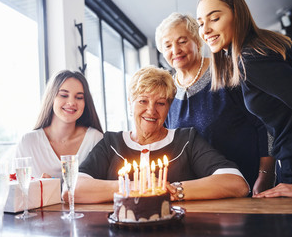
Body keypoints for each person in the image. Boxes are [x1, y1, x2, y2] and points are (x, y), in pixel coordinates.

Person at [64, 66, 249, 204]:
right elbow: (72, 190)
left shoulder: (187, 140)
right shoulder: (111, 143)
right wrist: (135, 187)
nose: (151, 111)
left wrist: (172, 190)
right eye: (143, 101)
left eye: (160, 103)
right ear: (130, 103)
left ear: (169, 107)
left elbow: (237, 183)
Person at [155, 12, 274, 195]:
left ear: (198, 40)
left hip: (244, 187)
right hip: (192, 194)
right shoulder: (166, 91)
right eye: (168, 45)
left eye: (182, 41)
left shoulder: (228, 71)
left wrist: (265, 175)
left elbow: (264, 125)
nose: (175, 50)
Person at [197, 0, 292, 198]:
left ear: (238, 16)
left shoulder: (251, 57)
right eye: (200, 23)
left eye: (214, 18)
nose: (205, 30)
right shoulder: (263, 44)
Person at [15, 70, 103, 178]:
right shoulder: (28, 143)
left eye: (79, 97)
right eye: (64, 95)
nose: (71, 102)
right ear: (51, 98)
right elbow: (16, 189)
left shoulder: (95, 140)